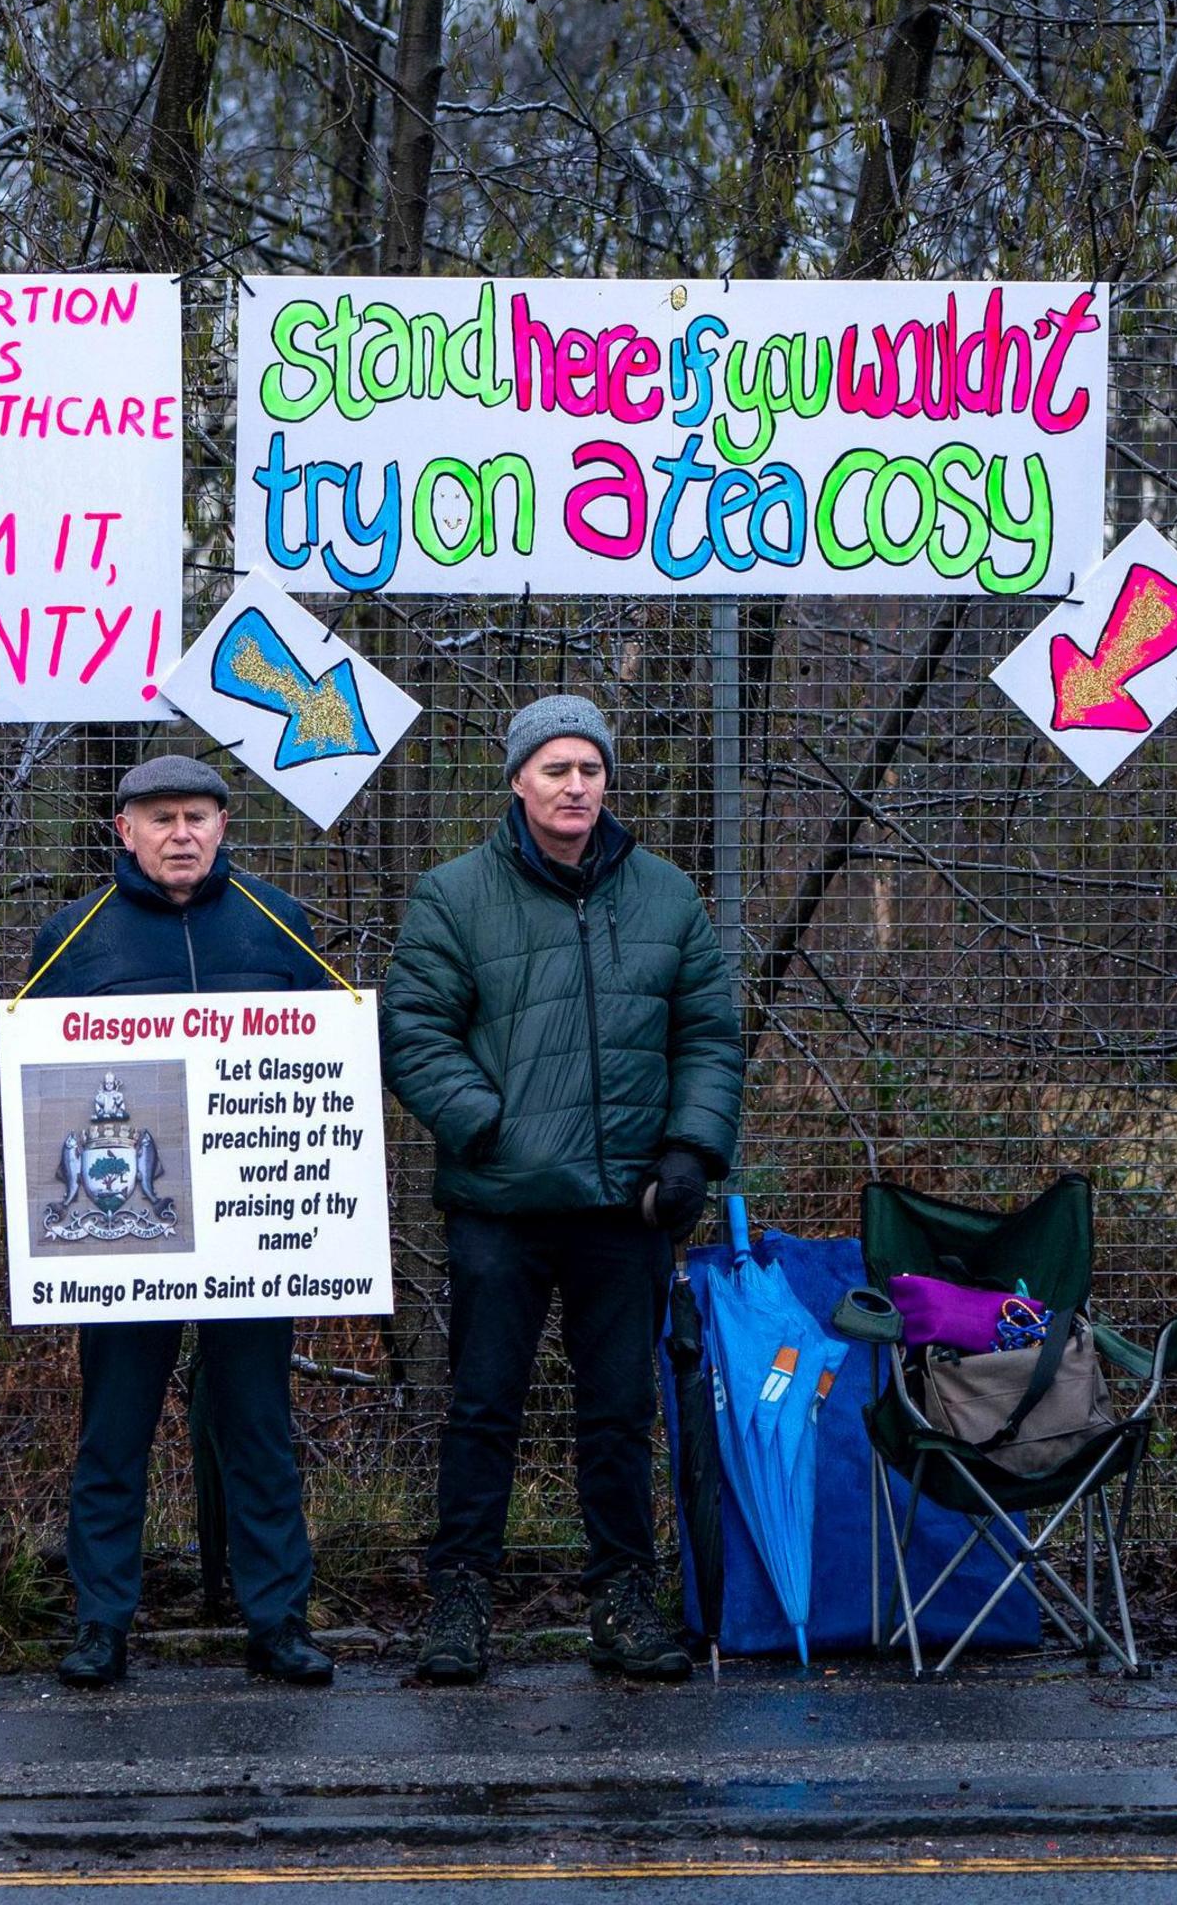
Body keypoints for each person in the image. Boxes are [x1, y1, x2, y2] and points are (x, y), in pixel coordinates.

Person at [383, 694, 744, 1687]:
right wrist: (488, 1125)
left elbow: (709, 1037)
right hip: (499, 1208)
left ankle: (625, 1606)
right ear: (518, 781)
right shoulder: (455, 895)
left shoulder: (666, 896)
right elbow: (413, 1031)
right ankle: (459, 1607)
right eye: (556, 769)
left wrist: (688, 1150)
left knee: (620, 1415)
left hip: (621, 1210)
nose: (575, 785)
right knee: (482, 1411)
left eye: (590, 769)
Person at [18, 754, 338, 1691]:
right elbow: (27, 1087)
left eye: (198, 815)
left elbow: (335, 1058)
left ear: (224, 825)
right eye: (161, 818)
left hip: (252, 1232)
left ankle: (278, 1621)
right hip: (123, 1234)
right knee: (112, 1433)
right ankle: (101, 1624)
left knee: (261, 1432)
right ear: (124, 830)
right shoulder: (73, 936)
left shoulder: (280, 923)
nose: (182, 833)